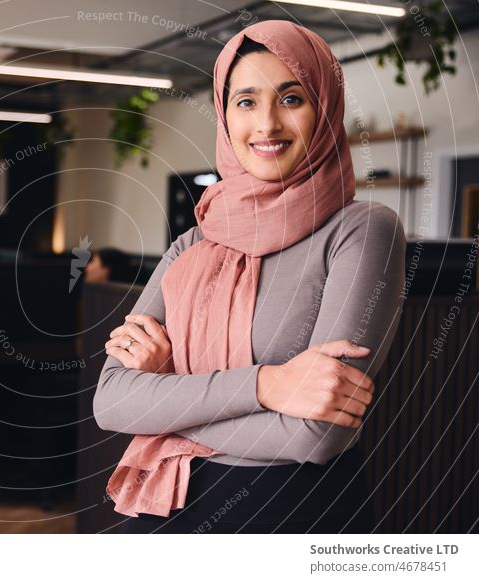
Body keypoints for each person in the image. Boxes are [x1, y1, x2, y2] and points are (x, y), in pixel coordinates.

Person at [94, 21, 407, 533]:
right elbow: (112, 403)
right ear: (223, 114)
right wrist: (269, 385)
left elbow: (314, 434)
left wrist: (167, 395)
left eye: (291, 98)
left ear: (324, 108)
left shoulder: (362, 231)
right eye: (245, 101)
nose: (266, 124)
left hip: (291, 514)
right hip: (168, 508)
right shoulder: (191, 246)